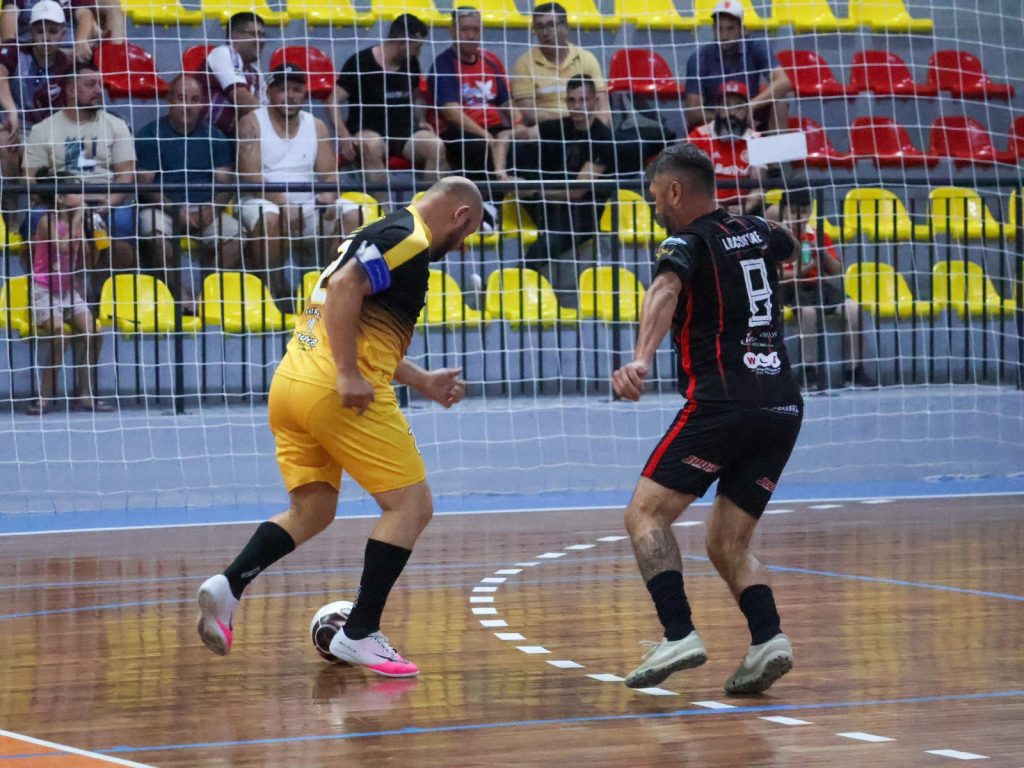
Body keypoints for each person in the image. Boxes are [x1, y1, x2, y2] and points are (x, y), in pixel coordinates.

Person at [196, 176, 484, 676]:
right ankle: (360, 632)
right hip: (336, 391)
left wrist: (421, 381)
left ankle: (228, 587)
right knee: (411, 506)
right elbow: (347, 289)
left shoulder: (378, 232)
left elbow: (345, 313)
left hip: (292, 383)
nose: (461, 246)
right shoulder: (410, 237)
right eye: (469, 233)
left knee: (312, 509)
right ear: (459, 216)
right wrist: (350, 374)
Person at [611, 142, 803, 695]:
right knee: (727, 542)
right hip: (782, 406)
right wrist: (752, 220)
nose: (655, 207)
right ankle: (769, 638)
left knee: (645, 516)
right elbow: (788, 244)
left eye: (655, 197)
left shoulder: (684, 242)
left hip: (723, 402)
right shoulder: (761, 230)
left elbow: (665, 287)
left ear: (674, 191)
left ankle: (679, 634)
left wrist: (641, 359)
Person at [238, 63, 360, 304]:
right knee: (269, 215)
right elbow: (250, 176)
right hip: (261, 200)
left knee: (353, 212)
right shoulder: (251, 123)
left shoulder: (316, 125)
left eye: (296, 89)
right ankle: (274, 293)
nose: (290, 96)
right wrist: (284, 203)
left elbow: (330, 176)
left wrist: (329, 196)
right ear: (269, 93)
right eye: (283, 89)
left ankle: (328, 291)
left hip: (307, 203)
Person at [493, 74, 613, 304]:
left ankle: (507, 290)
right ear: (566, 102)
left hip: (581, 215)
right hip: (551, 203)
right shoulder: (561, 125)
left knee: (544, 247)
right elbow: (505, 135)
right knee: (517, 150)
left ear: (595, 102)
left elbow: (577, 192)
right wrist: (501, 175)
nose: (578, 106)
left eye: (583, 100)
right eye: (572, 100)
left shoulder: (603, 138)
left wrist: (533, 190)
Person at [135, 74, 241, 309]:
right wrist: (175, 210)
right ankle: (182, 299)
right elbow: (144, 186)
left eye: (194, 99)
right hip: (163, 207)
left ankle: (207, 297)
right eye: (181, 98)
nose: (187, 105)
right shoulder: (148, 135)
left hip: (205, 207)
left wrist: (211, 210)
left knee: (235, 236)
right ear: (169, 100)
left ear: (202, 103)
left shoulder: (215, 136)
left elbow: (226, 183)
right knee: (156, 235)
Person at [23, 60, 135, 270]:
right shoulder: (42, 129)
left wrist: (106, 206)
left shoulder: (116, 125)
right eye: (91, 85)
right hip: (59, 204)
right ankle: (43, 290)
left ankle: (105, 295)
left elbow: (126, 176)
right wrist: (57, 205)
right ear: (72, 89)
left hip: (104, 202)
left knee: (122, 227)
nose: (99, 91)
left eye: (100, 85)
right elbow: (30, 178)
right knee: (34, 220)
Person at [26, 168, 111, 415]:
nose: (81, 194)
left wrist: (92, 230)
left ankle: (84, 392)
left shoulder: (80, 220)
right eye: (75, 191)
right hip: (44, 289)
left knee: (94, 331)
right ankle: (45, 395)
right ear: (60, 198)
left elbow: (87, 256)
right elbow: (62, 247)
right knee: (61, 334)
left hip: (67, 289)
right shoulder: (46, 219)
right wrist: (79, 217)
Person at [775, 187, 876, 391]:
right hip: (790, 290)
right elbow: (778, 277)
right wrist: (804, 270)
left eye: (803, 211)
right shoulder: (777, 237)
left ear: (811, 211)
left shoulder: (817, 235)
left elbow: (837, 270)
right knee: (809, 313)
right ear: (784, 211)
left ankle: (853, 370)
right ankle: (808, 371)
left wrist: (821, 253)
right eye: (793, 211)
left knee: (853, 308)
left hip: (818, 286)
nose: (798, 217)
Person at [329, 14, 447, 185]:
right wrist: (345, 136)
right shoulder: (361, 62)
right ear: (402, 42)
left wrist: (420, 120)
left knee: (436, 146)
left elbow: (416, 94)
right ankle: (384, 210)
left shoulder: (411, 62)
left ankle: (430, 209)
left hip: (404, 134)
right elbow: (332, 100)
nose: (419, 52)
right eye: (417, 47)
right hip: (369, 132)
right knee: (371, 145)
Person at [428, 6, 512, 181]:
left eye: (476, 30)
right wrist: (483, 134)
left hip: (495, 128)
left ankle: (526, 201)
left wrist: (519, 124)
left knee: (527, 141)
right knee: (476, 146)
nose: (471, 36)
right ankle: (485, 202)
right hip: (461, 131)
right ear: (452, 31)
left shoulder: (491, 60)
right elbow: (452, 114)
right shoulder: (443, 65)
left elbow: (506, 103)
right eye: (465, 30)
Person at [683, 0, 791, 133]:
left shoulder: (756, 47)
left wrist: (750, 106)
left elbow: (784, 82)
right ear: (713, 29)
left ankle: (776, 152)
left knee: (780, 103)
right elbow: (693, 113)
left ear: (743, 29)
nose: (724, 36)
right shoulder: (699, 58)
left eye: (730, 28)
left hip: (750, 119)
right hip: (715, 123)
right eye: (719, 29)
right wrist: (731, 119)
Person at [0, 0, 74, 179]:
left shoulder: (68, 64)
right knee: (4, 142)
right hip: (19, 127)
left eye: (53, 31)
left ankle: (46, 203)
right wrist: (11, 109)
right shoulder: (15, 51)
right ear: (31, 32)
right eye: (40, 31)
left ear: (63, 34)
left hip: (51, 131)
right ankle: (11, 206)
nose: (46, 38)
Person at [510, 2, 610, 128]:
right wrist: (571, 120)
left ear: (565, 27)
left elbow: (603, 108)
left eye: (551, 25)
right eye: (540, 27)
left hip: (586, 127)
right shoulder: (524, 64)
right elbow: (529, 114)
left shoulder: (586, 58)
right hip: (547, 130)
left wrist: (598, 130)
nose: (545, 32)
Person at [686, 80, 764, 215]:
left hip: (745, 212)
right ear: (718, 109)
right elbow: (692, 184)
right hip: (706, 210)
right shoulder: (698, 136)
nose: (732, 113)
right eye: (726, 106)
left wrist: (745, 208)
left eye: (738, 107)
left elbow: (759, 187)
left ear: (747, 110)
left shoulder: (756, 140)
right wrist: (715, 207)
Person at [201, 11, 266, 138]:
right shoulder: (222, 53)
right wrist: (277, 127)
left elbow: (266, 107)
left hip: (236, 135)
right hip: (207, 134)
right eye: (255, 34)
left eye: (263, 35)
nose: (261, 40)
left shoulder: (256, 73)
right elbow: (241, 99)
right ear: (235, 36)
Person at [0, 0, 100, 64]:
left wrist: (81, 41)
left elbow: (85, 14)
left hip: (69, 47)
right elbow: (9, 15)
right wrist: (12, 50)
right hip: (31, 47)